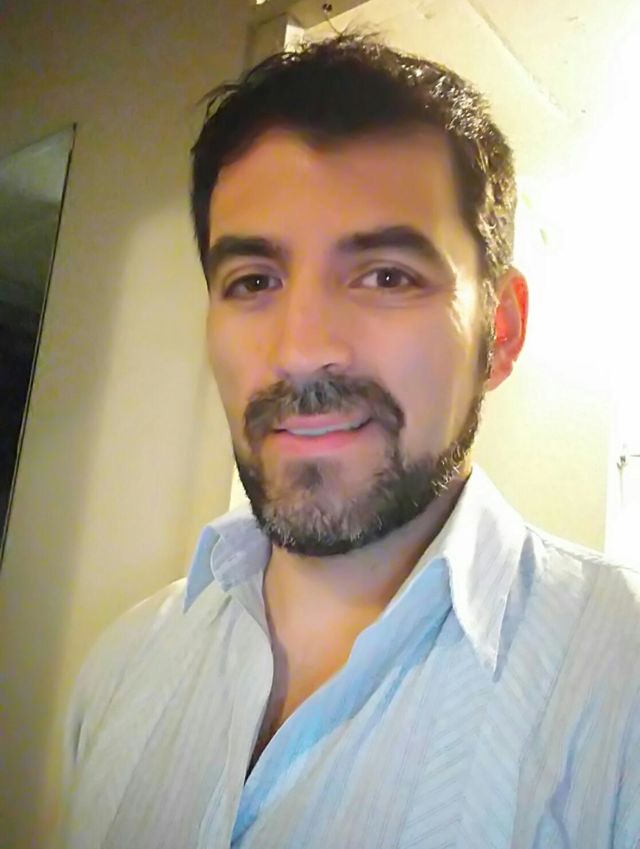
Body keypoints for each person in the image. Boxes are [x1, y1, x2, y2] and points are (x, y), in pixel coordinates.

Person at [59, 34, 640, 849]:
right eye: (253, 282)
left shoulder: (620, 679)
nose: (301, 350)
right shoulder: (121, 670)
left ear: (501, 331)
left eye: (386, 276)